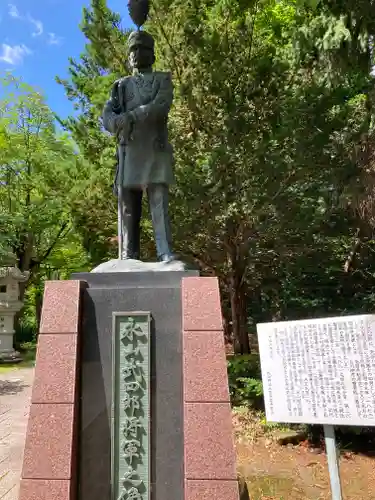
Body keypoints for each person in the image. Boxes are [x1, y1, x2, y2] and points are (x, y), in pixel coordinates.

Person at [102, 30, 175, 262]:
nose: (135, 54)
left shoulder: (163, 80)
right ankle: (128, 254)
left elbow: (160, 107)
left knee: (158, 201)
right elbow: (108, 113)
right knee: (128, 205)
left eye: (141, 49)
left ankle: (165, 252)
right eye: (132, 50)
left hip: (155, 148)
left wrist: (131, 116)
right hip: (130, 149)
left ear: (152, 55)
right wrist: (113, 121)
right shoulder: (120, 86)